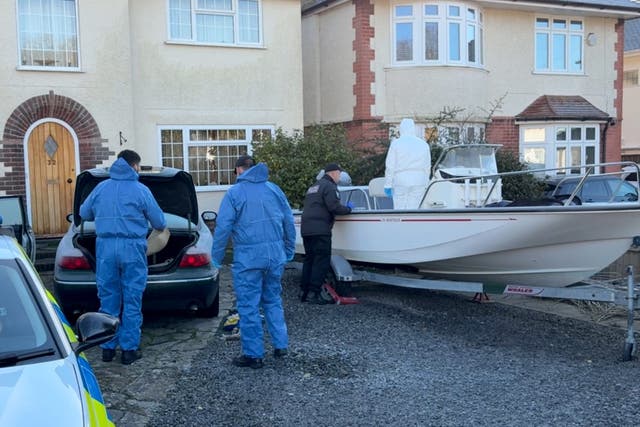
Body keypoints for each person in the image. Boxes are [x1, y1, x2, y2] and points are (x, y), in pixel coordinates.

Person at [79, 150, 167, 365]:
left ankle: (107, 349)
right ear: (135, 166)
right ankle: (129, 350)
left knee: (108, 298)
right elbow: (160, 223)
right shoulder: (141, 190)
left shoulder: (100, 188)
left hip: (106, 247)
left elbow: (83, 213)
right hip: (132, 247)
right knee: (132, 299)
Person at [211, 155, 296, 369]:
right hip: (275, 255)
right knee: (273, 300)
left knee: (248, 306)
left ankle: (253, 354)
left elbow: (223, 228)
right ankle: (281, 345)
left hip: (249, 258)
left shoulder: (234, 193)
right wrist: (288, 249)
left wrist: (217, 257)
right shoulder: (274, 189)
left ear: (239, 170)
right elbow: (288, 220)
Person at [300, 163, 353, 304]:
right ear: (334, 173)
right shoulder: (329, 186)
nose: (339, 178)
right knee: (321, 261)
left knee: (309, 260)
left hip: (306, 229)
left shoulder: (313, 187)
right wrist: (348, 209)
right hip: (320, 229)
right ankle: (314, 293)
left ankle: (304, 292)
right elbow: (334, 207)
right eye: (339, 175)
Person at [384, 118, 431, 209]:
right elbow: (427, 167)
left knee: (399, 208)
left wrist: (388, 184)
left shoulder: (396, 144)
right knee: (414, 208)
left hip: (400, 179)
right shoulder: (423, 144)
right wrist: (426, 182)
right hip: (419, 179)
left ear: (401, 129)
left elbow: (390, 166)